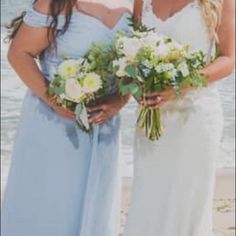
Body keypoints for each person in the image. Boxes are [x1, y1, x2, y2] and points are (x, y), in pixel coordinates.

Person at [1, 0, 131, 235]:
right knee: (51, 201)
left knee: (95, 203)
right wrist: (56, 101)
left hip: (104, 126)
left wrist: (119, 101)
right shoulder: (55, 4)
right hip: (55, 124)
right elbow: (18, 53)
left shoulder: (134, 4)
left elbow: (131, 65)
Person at [123, 0, 235, 235]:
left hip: (195, 117)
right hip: (151, 117)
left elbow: (227, 59)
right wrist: (137, 90)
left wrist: (179, 85)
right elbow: (129, 52)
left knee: (187, 201)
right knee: (149, 198)